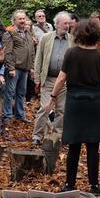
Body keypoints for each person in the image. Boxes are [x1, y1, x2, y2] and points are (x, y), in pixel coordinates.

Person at [47, 19, 100, 194]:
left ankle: (69, 183)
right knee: (92, 145)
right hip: (95, 103)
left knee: (74, 145)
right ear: (97, 35)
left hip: (75, 101)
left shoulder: (71, 53)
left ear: (79, 34)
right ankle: (94, 185)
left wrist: (52, 97)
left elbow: (61, 78)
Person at [31, 11, 75, 145]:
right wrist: (37, 79)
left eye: (68, 23)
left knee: (61, 109)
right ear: (56, 24)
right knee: (45, 108)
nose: (67, 26)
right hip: (48, 79)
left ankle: (57, 136)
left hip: (65, 81)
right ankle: (37, 136)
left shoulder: (72, 39)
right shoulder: (46, 38)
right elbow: (39, 59)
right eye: (64, 23)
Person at [1, 10, 35, 125]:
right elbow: (7, 52)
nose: (22, 21)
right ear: (14, 21)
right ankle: (7, 116)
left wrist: (32, 66)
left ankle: (20, 115)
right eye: (19, 19)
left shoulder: (27, 32)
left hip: (25, 68)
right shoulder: (9, 33)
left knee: (21, 93)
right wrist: (10, 68)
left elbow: (31, 51)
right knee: (9, 92)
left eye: (23, 18)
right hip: (14, 68)